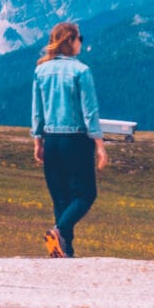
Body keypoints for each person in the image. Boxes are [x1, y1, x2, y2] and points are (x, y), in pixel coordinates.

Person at [31, 21, 106, 257]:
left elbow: (37, 110)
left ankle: (65, 249)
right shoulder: (81, 71)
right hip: (76, 139)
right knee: (85, 194)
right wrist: (100, 144)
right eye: (79, 39)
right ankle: (60, 230)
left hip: (51, 139)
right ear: (70, 40)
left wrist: (37, 140)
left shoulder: (40, 71)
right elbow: (90, 111)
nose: (81, 43)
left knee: (61, 196)